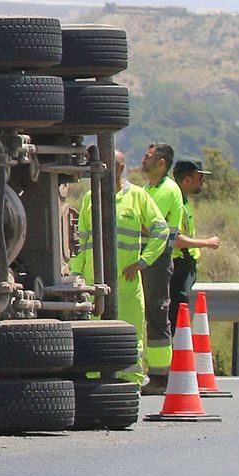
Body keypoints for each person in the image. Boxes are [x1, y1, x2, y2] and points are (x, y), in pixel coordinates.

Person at [69, 150, 171, 384]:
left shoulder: (137, 196)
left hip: (126, 285)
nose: (103, 172)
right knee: (94, 335)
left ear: (120, 168)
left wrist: (143, 261)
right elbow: (81, 241)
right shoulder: (90, 198)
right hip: (94, 282)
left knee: (131, 335)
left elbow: (161, 230)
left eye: (108, 167)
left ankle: (130, 383)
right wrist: (77, 275)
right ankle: (94, 382)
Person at [137, 142, 183, 382]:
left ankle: (160, 375)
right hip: (145, 258)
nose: (144, 159)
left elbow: (149, 225)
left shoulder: (167, 190)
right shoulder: (148, 189)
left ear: (161, 162)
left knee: (156, 311)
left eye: (149, 156)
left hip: (157, 257)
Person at [169, 157, 221, 328]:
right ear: (187, 180)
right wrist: (206, 243)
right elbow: (175, 239)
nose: (202, 182)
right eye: (200, 178)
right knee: (177, 310)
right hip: (178, 265)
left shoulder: (182, 200)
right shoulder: (176, 202)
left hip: (183, 265)